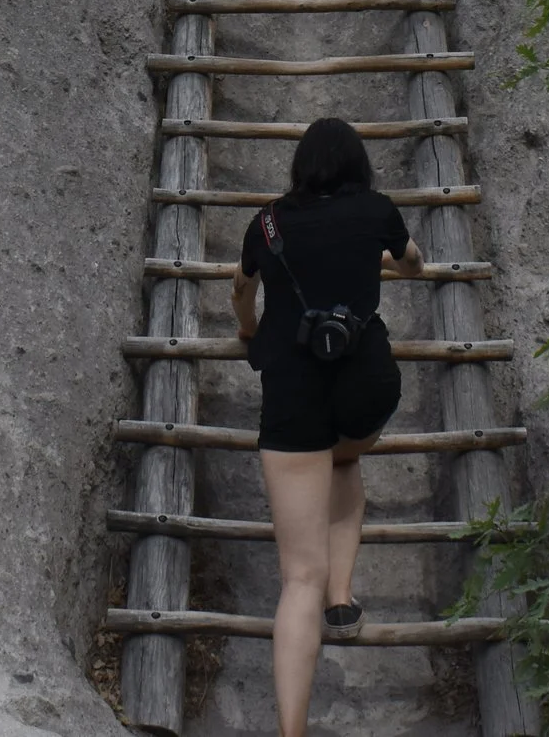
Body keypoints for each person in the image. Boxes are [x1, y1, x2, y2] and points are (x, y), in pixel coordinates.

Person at [232, 117, 428, 737]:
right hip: (364, 391)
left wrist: (246, 330)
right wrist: (372, 263)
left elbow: (240, 291)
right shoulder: (377, 210)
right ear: (358, 166)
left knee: (297, 578)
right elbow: (414, 266)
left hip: (292, 398)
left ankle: (291, 730)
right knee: (345, 457)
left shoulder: (267, 222)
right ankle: (342, 599)